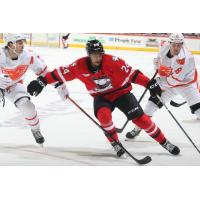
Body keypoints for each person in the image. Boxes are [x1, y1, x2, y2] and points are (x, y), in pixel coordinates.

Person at [27, 39, 180, 157]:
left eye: (100, 54)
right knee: (104, 117)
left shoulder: (113, 62)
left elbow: (132, 74)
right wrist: (42, 81)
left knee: (142, 120)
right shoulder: (79, 66)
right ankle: (115, 143)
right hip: (101, 97)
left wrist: (149, 84)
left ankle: (164, 142)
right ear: (89, 54)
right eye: (94, 55)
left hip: (121, 93)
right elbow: (59, 73)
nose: (98, 57)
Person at [127, 33, 200, 139]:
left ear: (182, 44)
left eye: (179, 45)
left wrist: (157, 83)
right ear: (170, 43)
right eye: (174, 44)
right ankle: (137, 128)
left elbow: (173, 82)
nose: (176, 48)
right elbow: (158, 61)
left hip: (187, 85)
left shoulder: (186, 59)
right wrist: (157, 67)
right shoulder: (164, 46)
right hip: (169, 82)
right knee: (150, 106)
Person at [0, 33, 48, 145]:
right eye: (20, 42)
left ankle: (36, 130)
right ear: (11, 44)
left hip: (15, 84)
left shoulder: (28, 56)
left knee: (28, 107)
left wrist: (58, 84)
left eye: (23, 42)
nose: (23, 45)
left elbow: (44, 72)